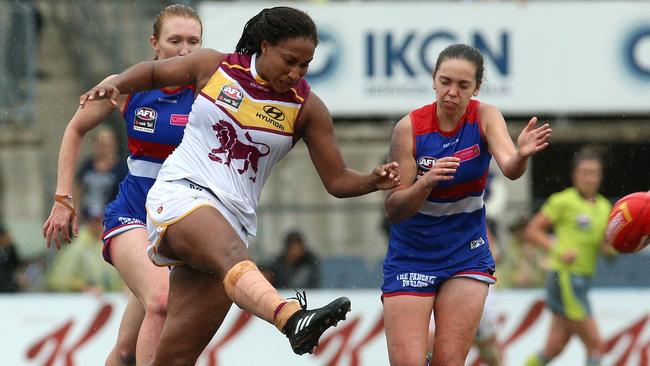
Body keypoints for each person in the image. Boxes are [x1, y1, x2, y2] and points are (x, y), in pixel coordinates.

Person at [77, 6, 400, 365]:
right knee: (232, 257)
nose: (295, 73)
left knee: (174, 359)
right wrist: (117, 83)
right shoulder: (215, 67)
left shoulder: (306, 108)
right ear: (265, 46)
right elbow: (152, 72)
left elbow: (337, 180)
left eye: (305, 65)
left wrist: (372, 180)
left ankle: (288, 317)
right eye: (289, 60)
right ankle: (291, 316)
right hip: (181, 195)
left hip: (235, 223)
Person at [42, 4, 203, 365]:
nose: (185, 51)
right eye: (175, 40)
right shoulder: (129, 88)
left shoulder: (210, 95)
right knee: (161, 301)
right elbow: (75, 129)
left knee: (128, 348)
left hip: (181, 224)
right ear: (154, 44)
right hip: (132, 216)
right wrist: (63, 198)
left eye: (194, 42)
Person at [382, 43, 552, 366]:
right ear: (433, 80)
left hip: (466, 250)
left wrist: (522, 155)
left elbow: (510, 168)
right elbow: (394, 208)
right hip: (412, 254)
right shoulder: (409, 129)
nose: (452, 92)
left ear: (476, 88)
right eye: (445, 82)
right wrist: (426, 182)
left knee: (449, 360)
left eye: (463, 85)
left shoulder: (486, 116)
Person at [524, 147, 613, 366]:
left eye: (594, 173)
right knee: (596, 346)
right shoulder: (563, 201)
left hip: (583, 279)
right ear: (575, 175)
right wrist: (558, 249)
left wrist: (627, 242)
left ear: (600, 176)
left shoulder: (604, 207)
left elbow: (608, 249)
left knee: (553, 348)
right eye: (585, 172)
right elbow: (532, 231)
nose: (590, 178)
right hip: (566, 278)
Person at [45, 213, 124, 293]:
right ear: (87, 223)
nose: (98, 225)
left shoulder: (114, 244)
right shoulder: (76, 248)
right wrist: (83, 287)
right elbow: (57, 280)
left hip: (115, 300)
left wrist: (127, 287)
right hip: (85, 302)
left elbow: (123, 274)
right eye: (94, 221)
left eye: (102, 220)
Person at [75, 127, 127, 222]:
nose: (102, 149)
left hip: (110, 220)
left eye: (106, 145)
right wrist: (76, 212)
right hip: (86, 220)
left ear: (114, 145)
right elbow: (78, 189)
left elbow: (123, 198)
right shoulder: (87, 165)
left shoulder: (122, 170)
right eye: (100, 145)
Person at [0, 225, 21, 292]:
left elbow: (17, 264)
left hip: (9, 282)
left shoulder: (11, 248)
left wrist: (19, 276)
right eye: (5, 238)